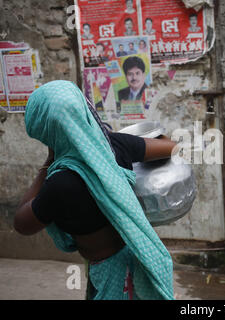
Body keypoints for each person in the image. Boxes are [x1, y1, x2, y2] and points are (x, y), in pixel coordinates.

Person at [15, 80, 176, 299]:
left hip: (110, 272)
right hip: (138, 255)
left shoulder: (60, 183)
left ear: (46, 130)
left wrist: (48, 162)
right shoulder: (114, 146)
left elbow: (22, 224)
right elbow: (171, 147)